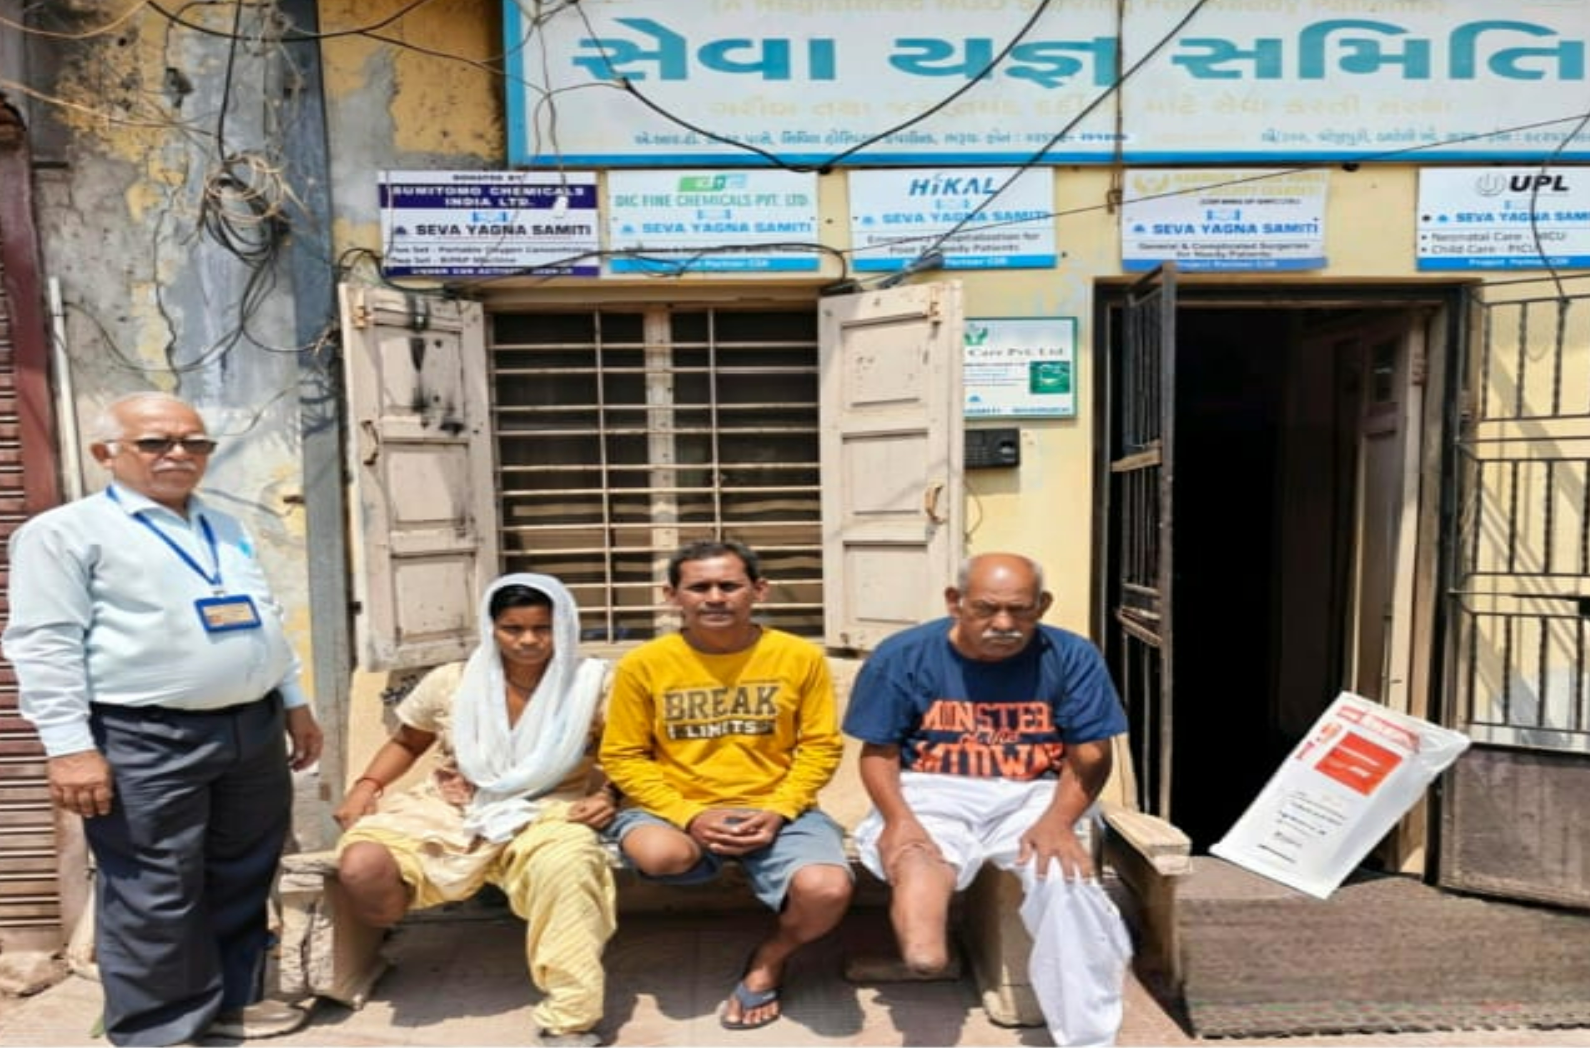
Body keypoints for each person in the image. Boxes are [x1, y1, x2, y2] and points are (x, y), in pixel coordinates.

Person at [2, 391, 323, 1047]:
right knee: (154, 889)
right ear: (106, 454)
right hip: (142, 736)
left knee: (242, 871)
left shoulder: (225, 527)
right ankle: (159, 1031)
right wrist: (69, 749)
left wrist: (293, 701)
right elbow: (45, 643)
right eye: (156, 442)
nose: (179, 454)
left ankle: (231, 1003)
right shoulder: (65, 533)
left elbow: (262, 617)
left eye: (194, 442)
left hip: (251, 727)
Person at [842, 552, 1133, 1047]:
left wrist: (1060, 821)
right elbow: (879, 751)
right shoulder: (902, 654)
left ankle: (1088, 1039)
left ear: (1042, 605)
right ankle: (924, 952)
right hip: (931, 785)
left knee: (1064, 883)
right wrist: (898, 819)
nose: (1004, 624)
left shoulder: (1070, 655)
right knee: (917, 853)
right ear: (956, 603)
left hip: (1035, 791)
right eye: (986, 609)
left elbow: (1091, 755)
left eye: (1020, 610)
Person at [334, 573, 615, 1048]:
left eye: (543, 628)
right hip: (453, 803)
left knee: (569, 867)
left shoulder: (595, 683)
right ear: (491, 628)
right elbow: (407, 740)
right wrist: (365, 785)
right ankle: (386, 933)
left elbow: (626, 752)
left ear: (565, 626)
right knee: (362, 865)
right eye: (513, 628)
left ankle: (571, 1017)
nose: (528, 640)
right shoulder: (452, 680)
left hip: (549, 809)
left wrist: (608, 795)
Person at [599, 539, 852, 1032]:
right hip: (674, 808)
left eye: (729, 585)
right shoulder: (643, 665)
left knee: (827, 889)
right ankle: (714, 856)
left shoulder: (798, 657)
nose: (715, 597)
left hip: (777, 808)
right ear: (672, 595)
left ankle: (771, 957)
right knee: (661, 855)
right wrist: (689, 814)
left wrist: (779, 809)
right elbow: (623, 756)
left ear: (757, 591)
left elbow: (821, 747)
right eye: (699, 587)